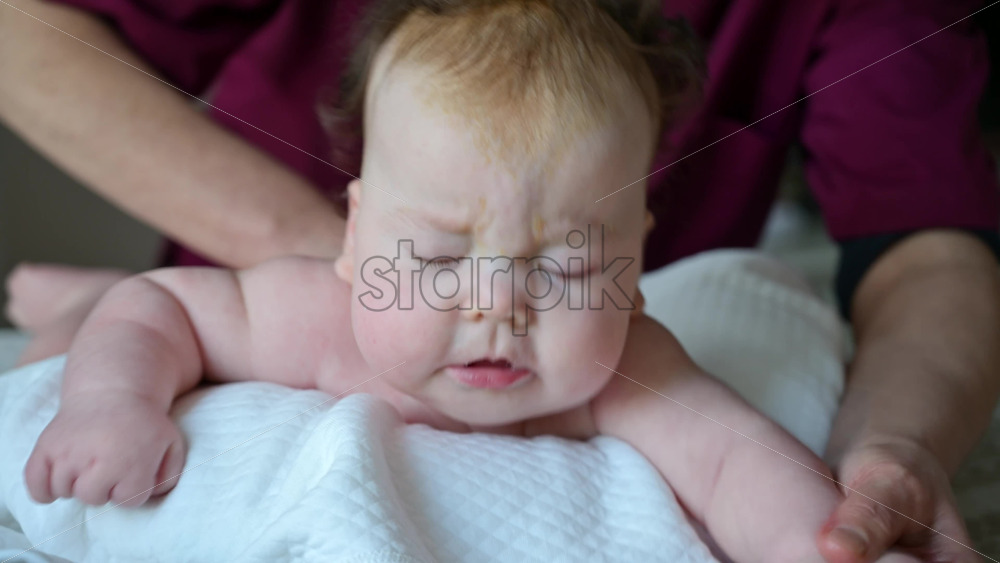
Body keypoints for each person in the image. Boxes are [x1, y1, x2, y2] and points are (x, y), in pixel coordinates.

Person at [1, 0, 997, 560]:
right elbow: (162, 305)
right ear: (358, 238)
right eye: (435, 258)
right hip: (257, 262)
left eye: (565, 265)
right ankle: (69, 297)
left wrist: (821, 543)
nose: (496, 305)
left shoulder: (624, 367)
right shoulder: (315, 311)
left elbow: (737, 461)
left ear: (637, 259)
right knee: (101, 327)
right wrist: (112, 400)